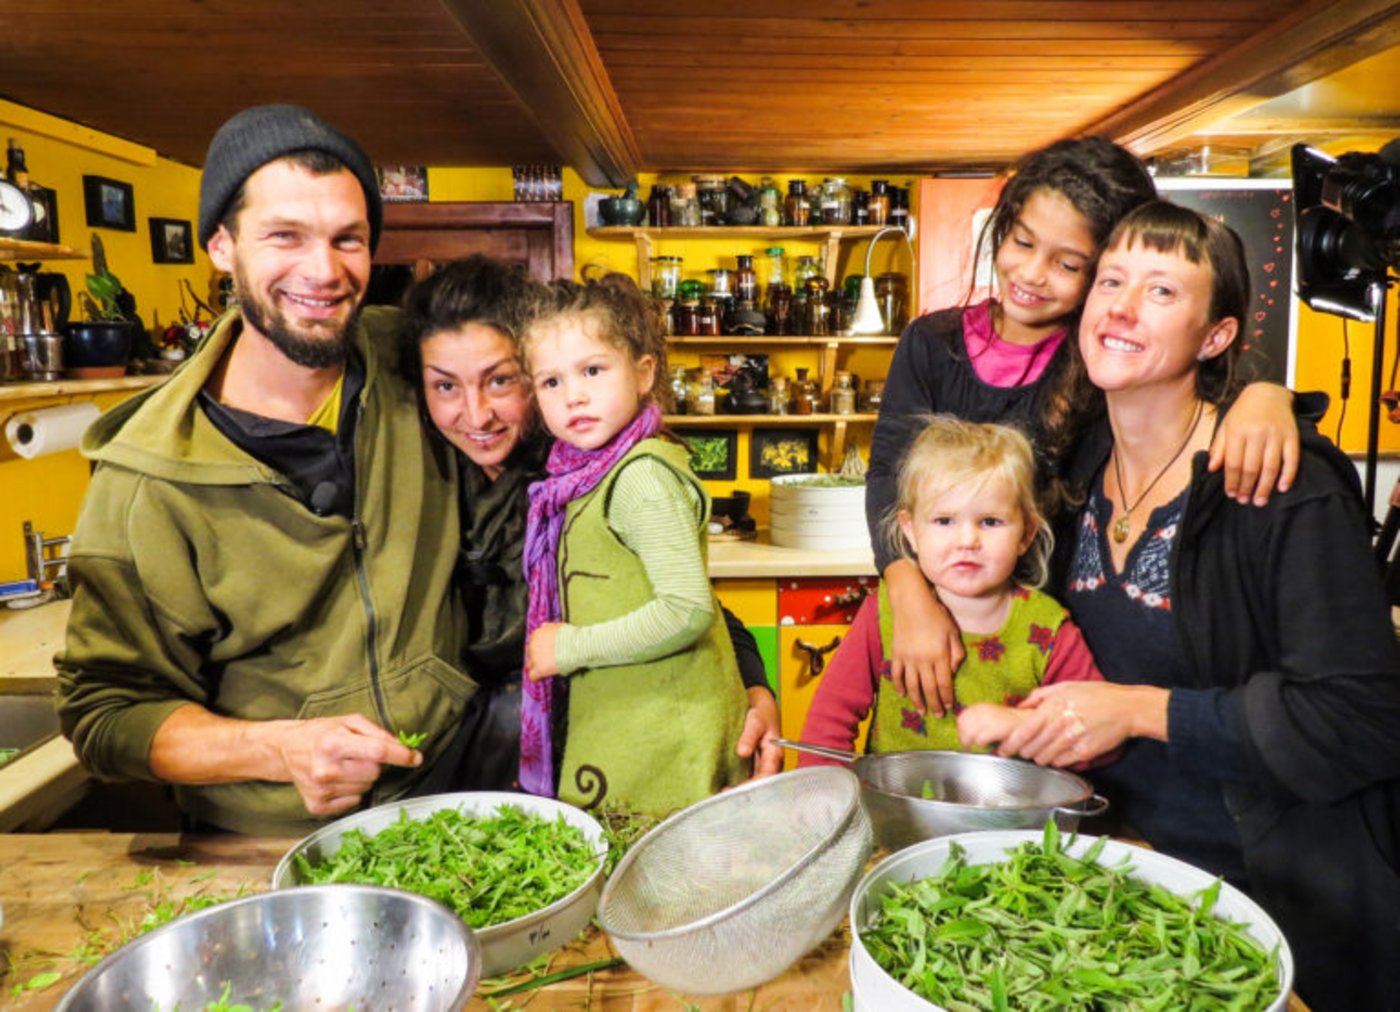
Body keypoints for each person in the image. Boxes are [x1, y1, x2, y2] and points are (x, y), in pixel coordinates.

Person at [963, 201, 1400, 1011]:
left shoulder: (1280, 487)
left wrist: (1138, 711)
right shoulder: (1078, 467)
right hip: (1119, 883)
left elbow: (1363, 718)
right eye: (1112, 282)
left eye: (1162, 292)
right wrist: (1032, 717)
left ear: (1216, 338)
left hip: (1274, 910)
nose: (1121, 308)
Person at [55, 105, 469, 836]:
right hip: (274, 849)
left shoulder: (424, 368)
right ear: (221, 245)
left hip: (460, 806)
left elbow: (586, 479)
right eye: (286, 236)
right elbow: (105, 713)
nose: (325, 270)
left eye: (349, 239)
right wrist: (280, 748)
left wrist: (743, 677)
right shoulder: (146, 481)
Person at [866, 136, 1302, 724]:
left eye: (1069, 265)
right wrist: (909, 594)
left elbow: (1193, 391)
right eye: (1022, 242)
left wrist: (1267, 396)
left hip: (1048, 647)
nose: (1032, 273)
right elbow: (888, 476)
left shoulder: (1103, 361)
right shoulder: (930, 343)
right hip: (932, 621)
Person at [400, 256, 782, 794]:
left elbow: (691, 602)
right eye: (445, 387)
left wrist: (757, 689)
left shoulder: (588, 462)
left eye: (501, 380)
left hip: (588, 731)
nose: (477, 414)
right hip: (457, 744)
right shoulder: (413, 480)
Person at [516, 273, 750, 816]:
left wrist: (568, 647)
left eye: (593, 370)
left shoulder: (638, 480)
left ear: (643, 373)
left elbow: (686, 611)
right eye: (550, 382)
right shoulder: (586, 475)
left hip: (671, 733)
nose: (573, 394)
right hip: (638, 722)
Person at [798, 416, 1105, 763]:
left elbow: (1094, 741)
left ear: (1026, 534)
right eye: (944, 521)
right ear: (910, 530)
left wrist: (1023, 725)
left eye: (990, 522)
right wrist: (823, 804)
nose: (967, 541)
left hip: (1010, 817)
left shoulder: (1050, 630)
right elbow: (827, 725)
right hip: (891, 815)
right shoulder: (882, 613)